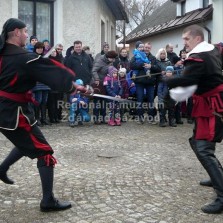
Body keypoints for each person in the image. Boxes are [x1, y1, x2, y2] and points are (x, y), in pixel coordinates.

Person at [0, 18, 92, 212]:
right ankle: (48, 201)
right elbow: (52, 72)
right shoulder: (23, 57)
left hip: (13, 109)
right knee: (44, 152)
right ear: (16, 32)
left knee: (26, 142)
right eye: (25, 32)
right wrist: (76, 87)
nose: (27, 35)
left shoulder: (4, 53)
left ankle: (1, 168)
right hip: (13, 113)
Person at [167, 24, 223, 214]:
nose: (183, 43)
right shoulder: (212, 50)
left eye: (186, 39)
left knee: (203, 148)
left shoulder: (198, 57)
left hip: (212, 106)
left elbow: (186, 81)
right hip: (208, 103)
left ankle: (222, 194)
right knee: (201, 143)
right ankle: (218, 176)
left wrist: (167, 81)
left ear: (198, 39)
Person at [92, 50, 118, 124]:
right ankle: (96, 119)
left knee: (103, 101)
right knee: (97, 101)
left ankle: (103, 118)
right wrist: (96, 79)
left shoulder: (110, 62)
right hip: (98, 83)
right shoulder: (99, 60)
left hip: (105, 83)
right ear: (109, 57)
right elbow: (94, 71)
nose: (113, 60)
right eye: (112, 59)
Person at [32, 41, 51, 126]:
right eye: (38, 48)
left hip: (45, 83)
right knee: (38, 101)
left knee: (44, 101)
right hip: (37, 83)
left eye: (41, 48)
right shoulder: (32, 57)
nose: (40, 50)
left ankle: (44, 118)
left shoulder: (45, 58)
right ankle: (37, 118)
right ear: (35, 49)